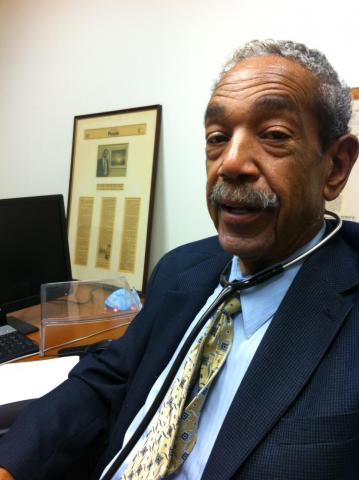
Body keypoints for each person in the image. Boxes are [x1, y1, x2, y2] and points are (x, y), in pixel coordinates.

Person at [1, 39, 359, 480]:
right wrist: (11, 463)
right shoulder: (179, 270)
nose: (230, 163)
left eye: (274, 136)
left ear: (336, 166)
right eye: (217, 138)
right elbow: (108, 379)